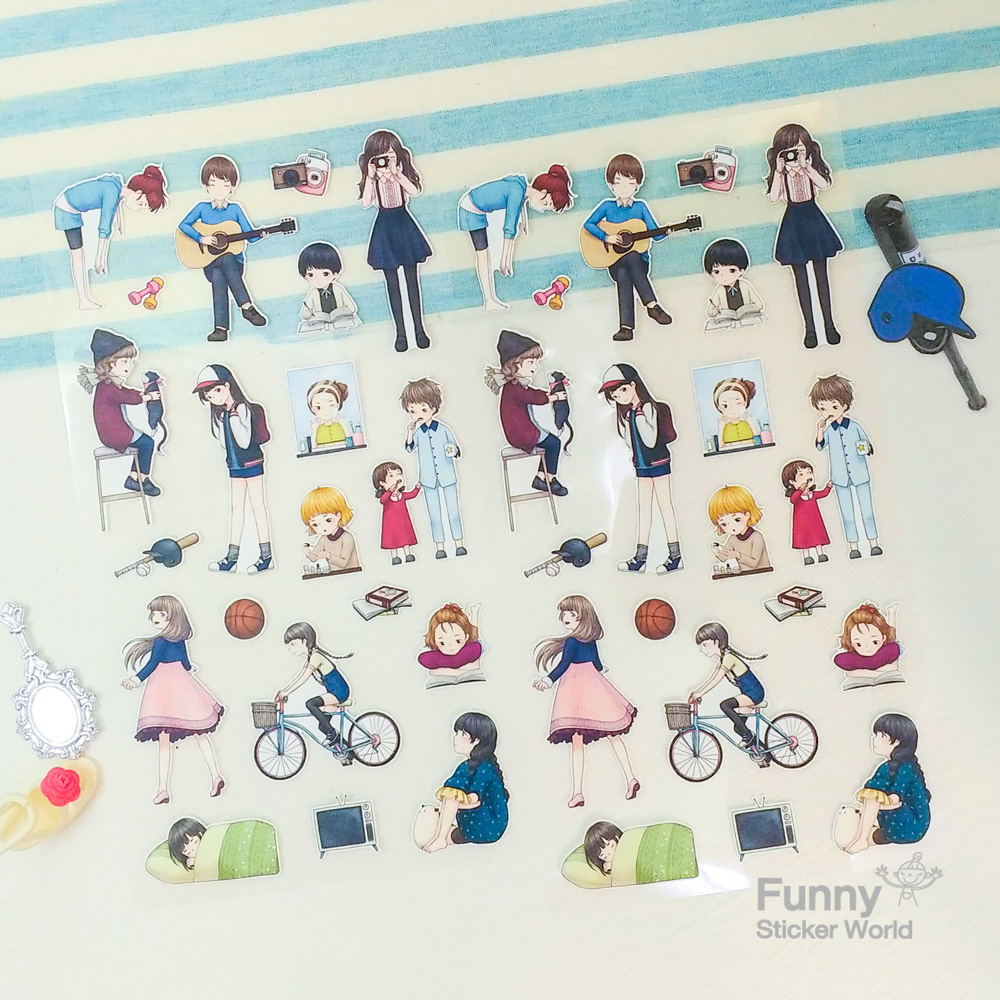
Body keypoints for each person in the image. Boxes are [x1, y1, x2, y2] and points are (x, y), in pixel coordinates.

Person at [533, 595, 639, 808]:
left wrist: (548, 680)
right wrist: (601, 670)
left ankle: (578, 792)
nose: (565, 617)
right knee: (613, 733)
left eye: (571, 614)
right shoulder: (589, 640)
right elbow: (596, 662)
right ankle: (630, 777)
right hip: (594, 685)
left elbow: (564, 664)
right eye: (564, 613)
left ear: (583, 616)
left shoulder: (573, 641)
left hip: (575, 689)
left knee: (577, 741)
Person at [121, 596, 225, 804]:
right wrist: (190, 669)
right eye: (154, 613)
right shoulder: (179, 641)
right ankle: (215, 775)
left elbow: (152, 664)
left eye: (162, 614)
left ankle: (163, 789)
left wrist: (136, 679)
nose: (156, 617)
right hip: (183, 686)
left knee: (164, 739)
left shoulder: (161, 642)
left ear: (174, 617)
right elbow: (185, 662)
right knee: (200, 732)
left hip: (163, 689)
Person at [765, 123, 843, 348]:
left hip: (813, 218)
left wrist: (806, 166)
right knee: (800, 280)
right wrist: (779, 171)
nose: (793, 155)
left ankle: (829, 326)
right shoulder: (782, 173)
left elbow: (824, 184)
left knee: (822, 276)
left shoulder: (809, 168)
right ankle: (810, 329)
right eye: (788, 151)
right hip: (793, 221)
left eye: (798, 149)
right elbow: (774, 197)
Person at [599, 364, 681, 574]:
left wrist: (638, 418)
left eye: (622, 390)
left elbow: (650, 440)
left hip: (658, 462)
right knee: (643, 509)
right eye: (615, 395)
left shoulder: (647, 408)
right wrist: (629, 421)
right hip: (642, 465)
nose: (619, 397)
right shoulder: (630, 413)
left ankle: (675, 556)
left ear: (634, 385)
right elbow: (630, 443)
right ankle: (640, 558)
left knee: (665, 507)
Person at [178, 155, 269, 342]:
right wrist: (201, 238)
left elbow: (249, 236)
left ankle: (221, 329)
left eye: (225, 184)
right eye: (213, 184)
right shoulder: (202, 208)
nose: (219, 190)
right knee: (219, 268)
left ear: (232, 187)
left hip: (235, 265)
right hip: (209, 261)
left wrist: (261, 234)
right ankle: (246, 307)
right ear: (206, 186)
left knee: (225, 263)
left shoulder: (235, 209)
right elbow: (183, 226)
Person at [583, 153, 672, 341]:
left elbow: (654, 233)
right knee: (624, 265)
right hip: (614, 260)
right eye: (619, 182)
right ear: (611, 185)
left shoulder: (640, 207)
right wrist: (606, 237)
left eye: (630, 182)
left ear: (637, 185)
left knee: (630, 261)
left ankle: (626, 328)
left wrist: (668, 231)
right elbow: (588, 225)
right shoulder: (607, 206)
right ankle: (652, 305)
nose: (624, 187)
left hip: (640, 263)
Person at [193, 365, 272, 574]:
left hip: (251, 463)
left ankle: (266, 556)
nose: (214, 397)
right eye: (209, 396)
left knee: (258, 508)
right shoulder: (224, 414)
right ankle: (232, 557)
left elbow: (244, 442)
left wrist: (233, 418)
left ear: (228, 386)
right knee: (236, 510)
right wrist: (223, 421)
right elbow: (223, 443)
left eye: (217, 390)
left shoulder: (241, 409)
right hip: (235, 465)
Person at [460, 165, 573, 310]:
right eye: (545, 203)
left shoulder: (521, 191)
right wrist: (504, 259)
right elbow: (509, 225)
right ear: (543, 192)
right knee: (483, 256)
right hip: (471, 210)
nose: (542, 209)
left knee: (485, 256)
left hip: (477, 210)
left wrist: (507, 258)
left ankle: (490, 300)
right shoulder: (517, 191)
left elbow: (512, 229)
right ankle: (489, 301)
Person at [54, 165, 167, 310]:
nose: (138, 209)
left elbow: (110, 220)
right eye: (140, 204)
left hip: (72, 209)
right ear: (138, 192)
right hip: (66, 210)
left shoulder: (116, 190)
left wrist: (102, 256)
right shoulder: (112, 191)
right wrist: (99, 258)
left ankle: (84, 299)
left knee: (79, 254)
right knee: (77, 255)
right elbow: (105, 224)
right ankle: (83, 300)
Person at [358, 130, 431, 352]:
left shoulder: (400, 174)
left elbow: (414, 191)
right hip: (385, 227)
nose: (384, 161)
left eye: (389, 155)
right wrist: (371, 176)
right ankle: (401, 333)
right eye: (379, 156)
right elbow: (366, 202)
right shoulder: (373, 179)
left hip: (403, 223)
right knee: (392, 285)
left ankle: (419, 330)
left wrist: (396, 173)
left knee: (412, 282)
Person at [77, 328, 162, 498]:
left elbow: (126, 392)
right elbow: (126, 397)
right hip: (116, 434)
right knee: (147, 443)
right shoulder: (107, 387)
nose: (130, 366)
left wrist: (142, 393)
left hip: (115, 432)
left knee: (144, 443)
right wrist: (148, 397)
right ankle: (142, 479)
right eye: (125, 362)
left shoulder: (109, 384)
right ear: (109, 364)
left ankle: (134, 477)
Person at [484, 329, 568, 497]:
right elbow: (533, 397)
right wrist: (555, 397)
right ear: (514, 365)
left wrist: (549, 392)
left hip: (523, 431)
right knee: (554, 443)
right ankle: (549, 478)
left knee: (551, 443)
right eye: (531, 362)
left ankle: (541, 477)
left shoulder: (515, 385)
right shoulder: (514, 388)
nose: (536, 366)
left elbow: (532, 392)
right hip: (522, 433)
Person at [811, 374, 882, 559]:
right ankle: (853, 547)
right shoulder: (828, 430)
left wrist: (864, 448)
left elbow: (868, 446)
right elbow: (820, 446)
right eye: (823, 408)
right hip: (840, 477)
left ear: (844, 405)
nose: (829, 411)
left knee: (867, 512)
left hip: (860, 474)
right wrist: (819, 430)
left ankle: (874, 543)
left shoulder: (855, 426)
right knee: (847, 515)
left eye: (834, 407)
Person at [416, 713, 509, 852]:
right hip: (472, 822)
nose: (455, 738)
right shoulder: (466, 766)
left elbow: (474, 799)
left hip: (490, 824)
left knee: (451, 798)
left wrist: (452, 806)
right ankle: (441, 837)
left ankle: (441, 838)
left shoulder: (486, 767)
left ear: (476, 740)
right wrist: (448, 808)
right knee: (448, 799)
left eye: (462, 734)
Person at [840, 714, 930, 854]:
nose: (874, 739)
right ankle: (863, 838)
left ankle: (862, 839)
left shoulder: (906, 767)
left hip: (912, 825)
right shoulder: (886, 767)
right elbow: (873, 789)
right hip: (894, 822)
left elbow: (896, 799)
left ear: (896, 742)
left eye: (881, 735)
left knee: (873, 799)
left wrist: (873, 807)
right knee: (871, 798)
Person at [401, 379, 466, 558]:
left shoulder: (443, 429)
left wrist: (452, 451)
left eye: (423, 409)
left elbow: (456, 449)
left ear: (434, 408)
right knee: (434, 516)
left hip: (447, 475)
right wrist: (409, 432)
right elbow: (409, 448)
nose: (418, 415)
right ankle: (439, 547)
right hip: (428, 479)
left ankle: (459, 544)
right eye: (413, 411)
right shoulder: (418, 433)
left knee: (453, 512)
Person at [689, 622, 769, 763]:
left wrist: (699, 694)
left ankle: (749, 737)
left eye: (704, 645)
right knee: (739, 728)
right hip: (749, 693)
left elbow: (717, 679)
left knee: (725, 705)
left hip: (754, 693)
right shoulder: (723, 659)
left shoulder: (729, 658)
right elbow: (712, 678)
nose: (702, 649)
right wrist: (698, 692)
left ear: (716, 642)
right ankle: (765, 754)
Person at [276, 622, 354, 754]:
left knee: (311, 704)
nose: (290, 649)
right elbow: (299, 676)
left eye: (293, 644)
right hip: (334, 692)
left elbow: (304, 677)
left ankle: (332, 735)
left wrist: (287, 692)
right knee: (323, 726)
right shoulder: (311, 658)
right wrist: (285, 691)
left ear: (304, 641)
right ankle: (349, 753)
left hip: (339, 692)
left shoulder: (316, 657)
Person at [296, 242, 360, 335]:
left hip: (341, 322)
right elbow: (304, 314)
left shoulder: (338, 288)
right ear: (304, 276)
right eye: (311, 275)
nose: (318, 279)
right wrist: (307, 314)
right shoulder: (313, 293)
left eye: (325, 274)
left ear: (335, 274)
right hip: (320, 325)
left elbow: (352, 307)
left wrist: (343, 312)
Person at [834, 603, 903, 689]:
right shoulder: (851, 658)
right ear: (851, 643)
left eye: (875, 642)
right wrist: (877, 673)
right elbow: (848, 673)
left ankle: (891, 614)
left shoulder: (888, 651)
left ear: (883, 638)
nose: (867, 648)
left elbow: (894, 667)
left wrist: (864, 672)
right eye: (859, 644)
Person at [708, 485, 771, 576]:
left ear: (747, 515)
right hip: (744, 577)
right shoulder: (733, 538)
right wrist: (717, 553)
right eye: (724, 524)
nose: (732, 527)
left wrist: (738, 555)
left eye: (737, 519)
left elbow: (754, 563)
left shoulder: (757, 537)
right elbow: (725, 557)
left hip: (763, 575)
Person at [703, 238, 764, 331]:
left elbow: (759, 304)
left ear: (741, 270)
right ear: (710, 274)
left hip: (748, 319)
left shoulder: (745, 285)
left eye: (731, 270)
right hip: (728, 322)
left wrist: (751, 309)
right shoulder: (719, 290)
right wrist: (714, 311)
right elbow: (710, 312)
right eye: (717, 272)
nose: (724, 276)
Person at [418, 603, 484, 688]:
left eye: (458, 641)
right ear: (434, 641)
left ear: (466, 637)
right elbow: (430, 669)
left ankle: (474, 614)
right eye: (442, 643)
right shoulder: (434, 656)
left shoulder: (472, 649)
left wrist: (445, 670)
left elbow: (476, 665)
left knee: (475, 635)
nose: (451, 647)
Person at [300, 486, 361, 577]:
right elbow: (315, 557)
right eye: (315, 524)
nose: (323, 527)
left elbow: (343, 563)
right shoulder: (324, 539)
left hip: (352, 575)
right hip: (334, 577)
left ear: (338, 515)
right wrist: (309, 553)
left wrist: (328, 555)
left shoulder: (347, 537)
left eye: (328, 520)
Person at [780, 459, 833, 564]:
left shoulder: (813, 494)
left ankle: (820, 554)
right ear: (792, 482)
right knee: (804, 539)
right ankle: (807, 557)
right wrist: (800, 490)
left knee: (817, 537)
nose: (807, 477)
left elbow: (823, 493)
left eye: (809, 472)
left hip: (815, 521)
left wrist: (829, 486)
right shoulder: (797, 496)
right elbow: (793, 500)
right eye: (801, 474)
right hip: (802, 524)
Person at [372, 461, 420, 565]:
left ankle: (408, 554)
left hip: (403, 521)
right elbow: (383, 500)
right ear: (382, 483)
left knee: (405, 537)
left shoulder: (402, 495)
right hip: (391, 523)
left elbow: (412, 494)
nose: (397, 478)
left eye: (399, 474)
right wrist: (389, 491)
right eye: (391, 476)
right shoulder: (387, 496)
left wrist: (417, 488)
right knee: (392, 540)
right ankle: (395, 556)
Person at [713, 378, 760, 450]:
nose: (733, 409)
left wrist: (751, 423)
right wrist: (721, 428)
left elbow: (759, 443)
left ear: (745, 403)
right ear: (719, 407)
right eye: (725, 405)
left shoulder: (748, 423)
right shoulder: (724, 427)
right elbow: (720, 448)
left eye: (738, 403)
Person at [307, 379, 352, 451]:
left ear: (338, 405)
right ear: (312, 409)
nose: (326, 411)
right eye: (318, 407)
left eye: (331, 405)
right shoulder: (317, 428)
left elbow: (350, 444)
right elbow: (313, 449)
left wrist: (343, 425)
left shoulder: (341, 424)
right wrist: (314, 430)